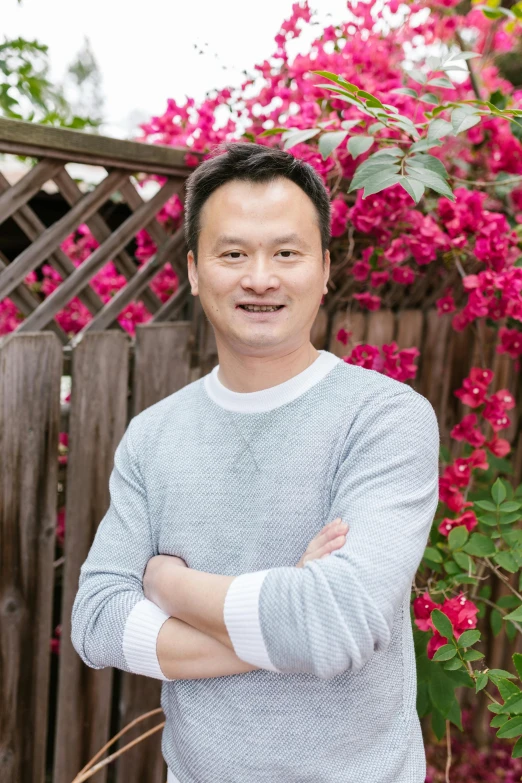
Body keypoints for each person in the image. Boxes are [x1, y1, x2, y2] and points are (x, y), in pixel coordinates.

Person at [71, 141, 440, 783]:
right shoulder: (153, 435)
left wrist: (169, 586)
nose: (261, 278)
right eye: (233, 253)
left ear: (325, 269)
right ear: (193, 269)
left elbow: (340, 621)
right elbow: (98, 621)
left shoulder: (384, 418)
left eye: (287, 253)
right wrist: (288, 619)